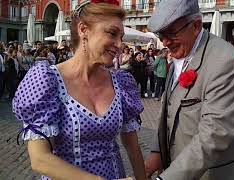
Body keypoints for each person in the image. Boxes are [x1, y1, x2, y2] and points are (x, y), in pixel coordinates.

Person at [12, 1, 146, 180]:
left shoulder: (121, 83)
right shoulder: (48, 81)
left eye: (121, 37)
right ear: (84, 30)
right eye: (112, 34)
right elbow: (40, 159)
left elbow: (133, 148)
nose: (119, 44)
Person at [144, 0, 234, 179]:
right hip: (180, 167)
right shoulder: (181, 52)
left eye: (171, 33)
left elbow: (215, 133)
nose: (165, 42)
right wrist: (157, 151)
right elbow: (167, 111)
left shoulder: (225, 61)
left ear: (196, 25)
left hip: (214, 173)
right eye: (160, 35)